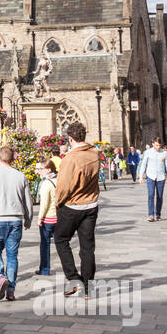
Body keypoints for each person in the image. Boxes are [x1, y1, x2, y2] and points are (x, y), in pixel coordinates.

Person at [54, 121, 100, 297]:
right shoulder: (94, 153)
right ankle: (88, 288)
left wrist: (58, 203)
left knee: (60, 239)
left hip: (72, 206)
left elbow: (64, 187)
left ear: (70, 139)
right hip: (91, 205)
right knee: (87, 247)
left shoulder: (70, 159)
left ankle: (74, 279)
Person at [0, 145, 32, 301]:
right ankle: (11, 290)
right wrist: (28, 219)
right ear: (13, 159)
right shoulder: (21, 176)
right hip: (16, 220)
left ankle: (0, 276)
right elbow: (27, 202)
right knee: (12, 256)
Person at [137, 137, 167, 222]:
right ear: (153, 144)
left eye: (159, 145)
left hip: (161, 177)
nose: (158, 147)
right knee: (151, 195)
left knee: (159, 196)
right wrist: (141, 176)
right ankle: (151, 214)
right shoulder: (148, 152)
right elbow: (143, 164)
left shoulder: (164, 153)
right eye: (156, 145)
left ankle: (158, 214)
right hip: (150, 176)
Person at [34, 159, 58, 276]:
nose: (39, 171)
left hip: (48, 218)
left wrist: (40, 218)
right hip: (58, 217)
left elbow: (44, 204)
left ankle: (44, 269)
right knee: (61, 244)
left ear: (49, 169)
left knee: (45, 244)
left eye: (41, 169)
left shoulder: (46, 183)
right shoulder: (58, 180)